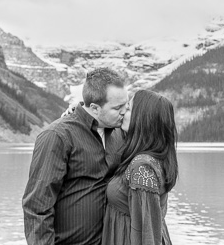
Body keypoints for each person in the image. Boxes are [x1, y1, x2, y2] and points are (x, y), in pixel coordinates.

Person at [23, 67, 129, 245]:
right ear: (94, 108)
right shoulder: (57, 136)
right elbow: (37, 208)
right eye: (118, 107)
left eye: (126, 104)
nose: (124, 111)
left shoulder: (120, 133)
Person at [102, 89, 178, 245]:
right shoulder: (153, 156)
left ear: (143, 119)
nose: (123, 112)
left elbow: (147, 234)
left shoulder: (142, 167)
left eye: (128, 108)